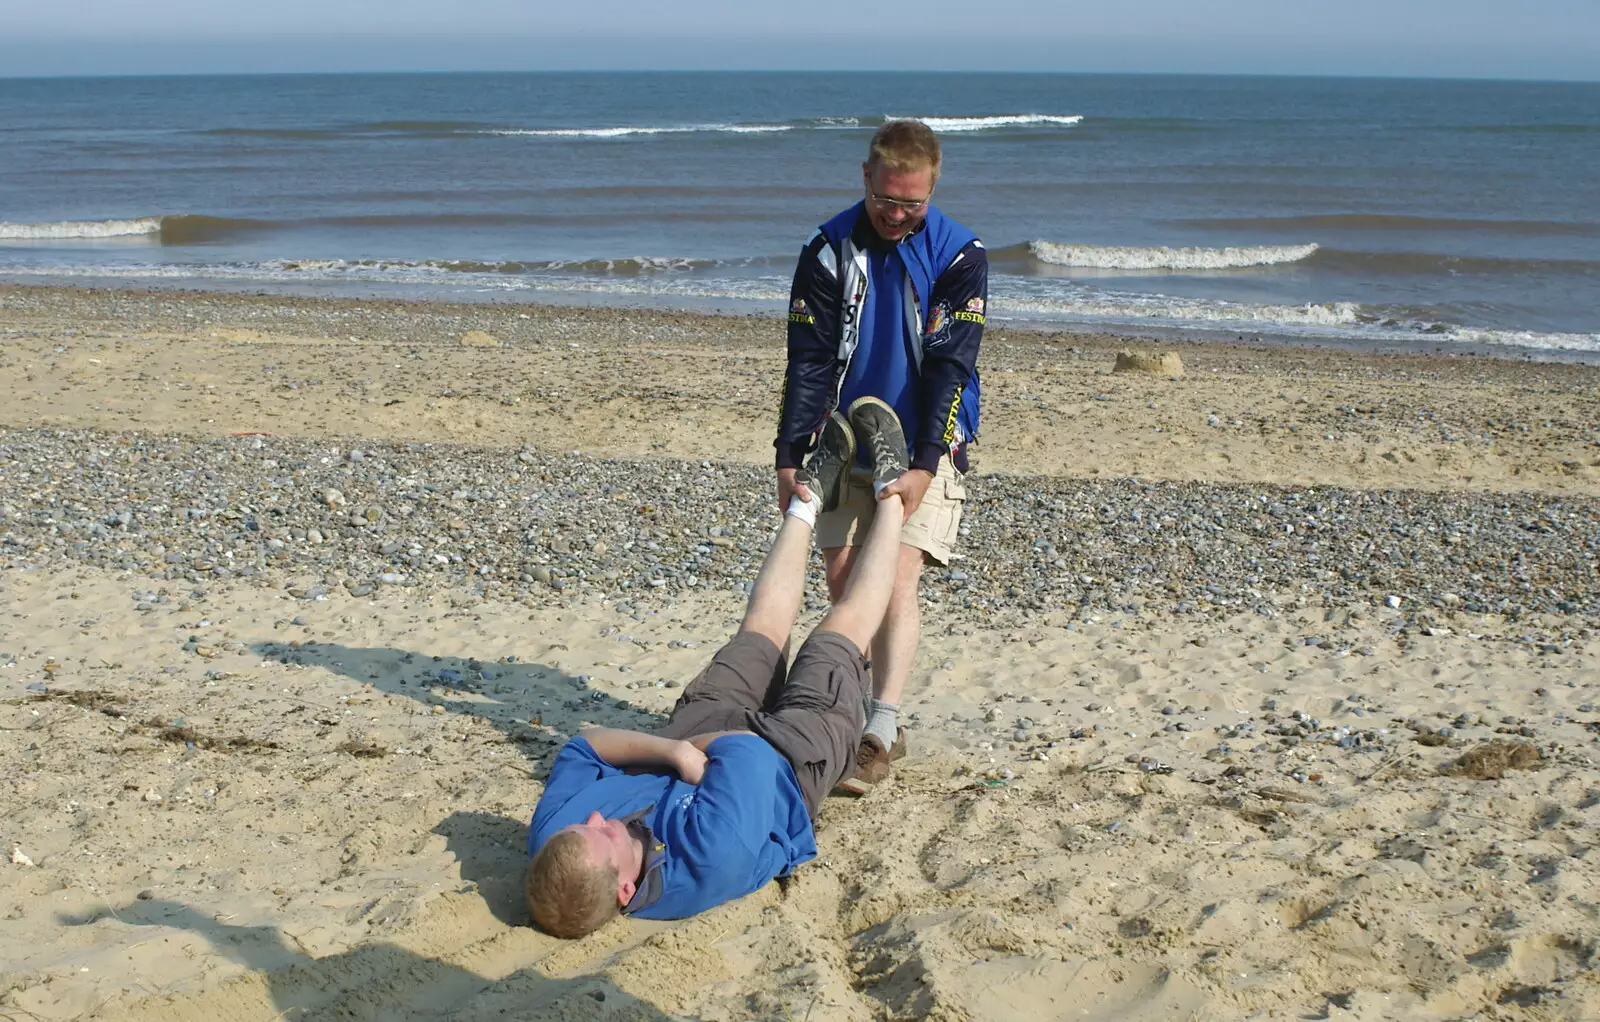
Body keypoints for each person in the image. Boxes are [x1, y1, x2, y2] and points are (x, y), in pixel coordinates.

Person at [525, 398, 912, 939]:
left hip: (693, 743)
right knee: (837, 636)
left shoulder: (557, 841)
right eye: (604, 836)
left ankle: (810, 496)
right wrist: (681, 756)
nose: (592, 820)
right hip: (786, 765)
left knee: (760, 631)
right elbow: (747, 751)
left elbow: (584, 745)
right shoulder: (711, 858)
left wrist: (676, 751)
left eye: (581, 827)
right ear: (625, 891)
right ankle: (894, 493)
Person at [775, 118, 987, 787]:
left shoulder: (960, 256)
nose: (897, 215)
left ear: (932, 189)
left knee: (894, 582)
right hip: (840, 439)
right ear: (865, 177)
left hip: (927, 439)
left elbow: (952, 366)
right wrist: (788, 451)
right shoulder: (827, 248)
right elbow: (806, 360)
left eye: (912, 204)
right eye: (886, 200)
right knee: (843, 585)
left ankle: (882, 726)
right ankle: (850, 707)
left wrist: (926, 464)